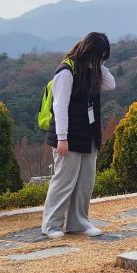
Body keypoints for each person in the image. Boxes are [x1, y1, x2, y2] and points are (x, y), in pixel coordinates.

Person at [41, 32, 116, 239]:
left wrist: (100, 65)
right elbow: (60, 107)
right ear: (90, 52)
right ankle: (51, 225)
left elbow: (111, 84)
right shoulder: (66, 71)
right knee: (64, 182)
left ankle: (78, 223)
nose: (100, 61)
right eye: (99, 56)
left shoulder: (93, 71)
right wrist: (62, 138)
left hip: (89, 134)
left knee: (85, 182)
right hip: (68, 136)